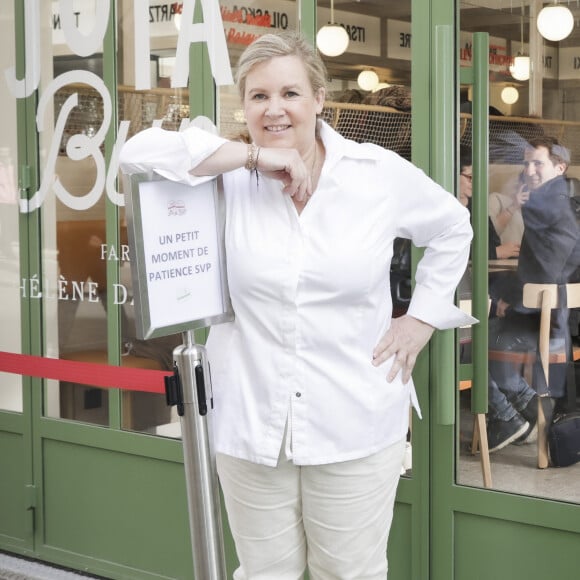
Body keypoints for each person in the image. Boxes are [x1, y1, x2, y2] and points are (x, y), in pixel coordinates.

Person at [120, 31, 474, 580]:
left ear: (319, 100)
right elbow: (135, 153)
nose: (275, 108)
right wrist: (255, 157)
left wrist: (422, 319)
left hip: (353, 418)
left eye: (290, 93)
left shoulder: (373, 173)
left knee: (349, 573)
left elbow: (454, 226)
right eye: (259, 96)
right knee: (265, 574)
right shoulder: (230, 174)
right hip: (250, 420)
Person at [486, 136, 580, 452]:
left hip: (544, 323)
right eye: (526, 163)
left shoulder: (551, 205)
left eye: (537, 163)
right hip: (554, 319)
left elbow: (546, 272)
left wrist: (503, 303)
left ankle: (512, 417)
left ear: (559, 167)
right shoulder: (554, 201)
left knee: (478, 338)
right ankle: (522, 414)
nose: (529, 169)